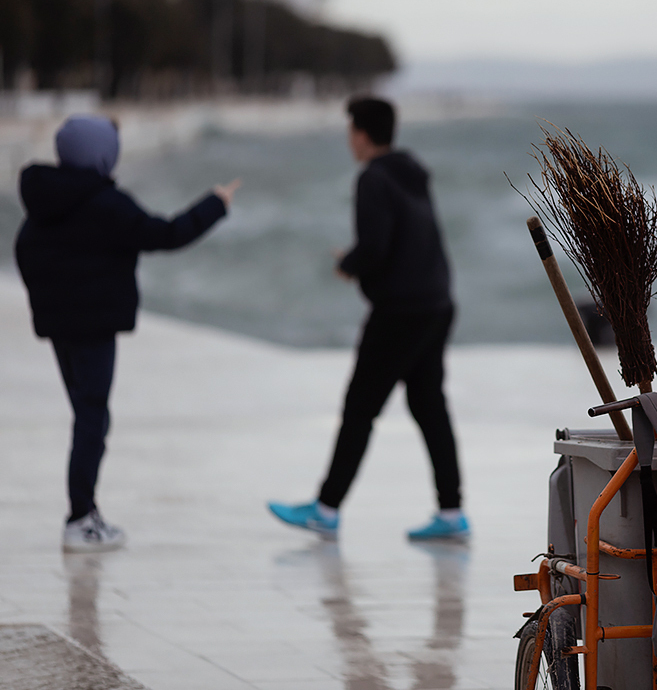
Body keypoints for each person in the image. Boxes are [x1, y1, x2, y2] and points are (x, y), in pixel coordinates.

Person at [14, 114, 239, 553]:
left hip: (60, 327)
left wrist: (53, 297)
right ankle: (80, 518)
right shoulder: (106, 203)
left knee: (87, 415)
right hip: (94, 327)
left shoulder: (44, 200)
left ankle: (85, 513)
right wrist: (215, 204)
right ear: (103, 156)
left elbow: (24, 250)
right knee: (92, 419)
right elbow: (167, 234)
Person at [268, 96, 467, 541]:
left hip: (401, 311)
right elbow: (409, 240)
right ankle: (452, 513)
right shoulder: (412, 172)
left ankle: (325, 509)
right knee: (428, 405)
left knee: (360, 408)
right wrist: (362, 260)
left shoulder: (373, 178)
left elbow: (376, 246)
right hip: (436, 302)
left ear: (360, 134)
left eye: (350, 131)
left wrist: (349, 263)